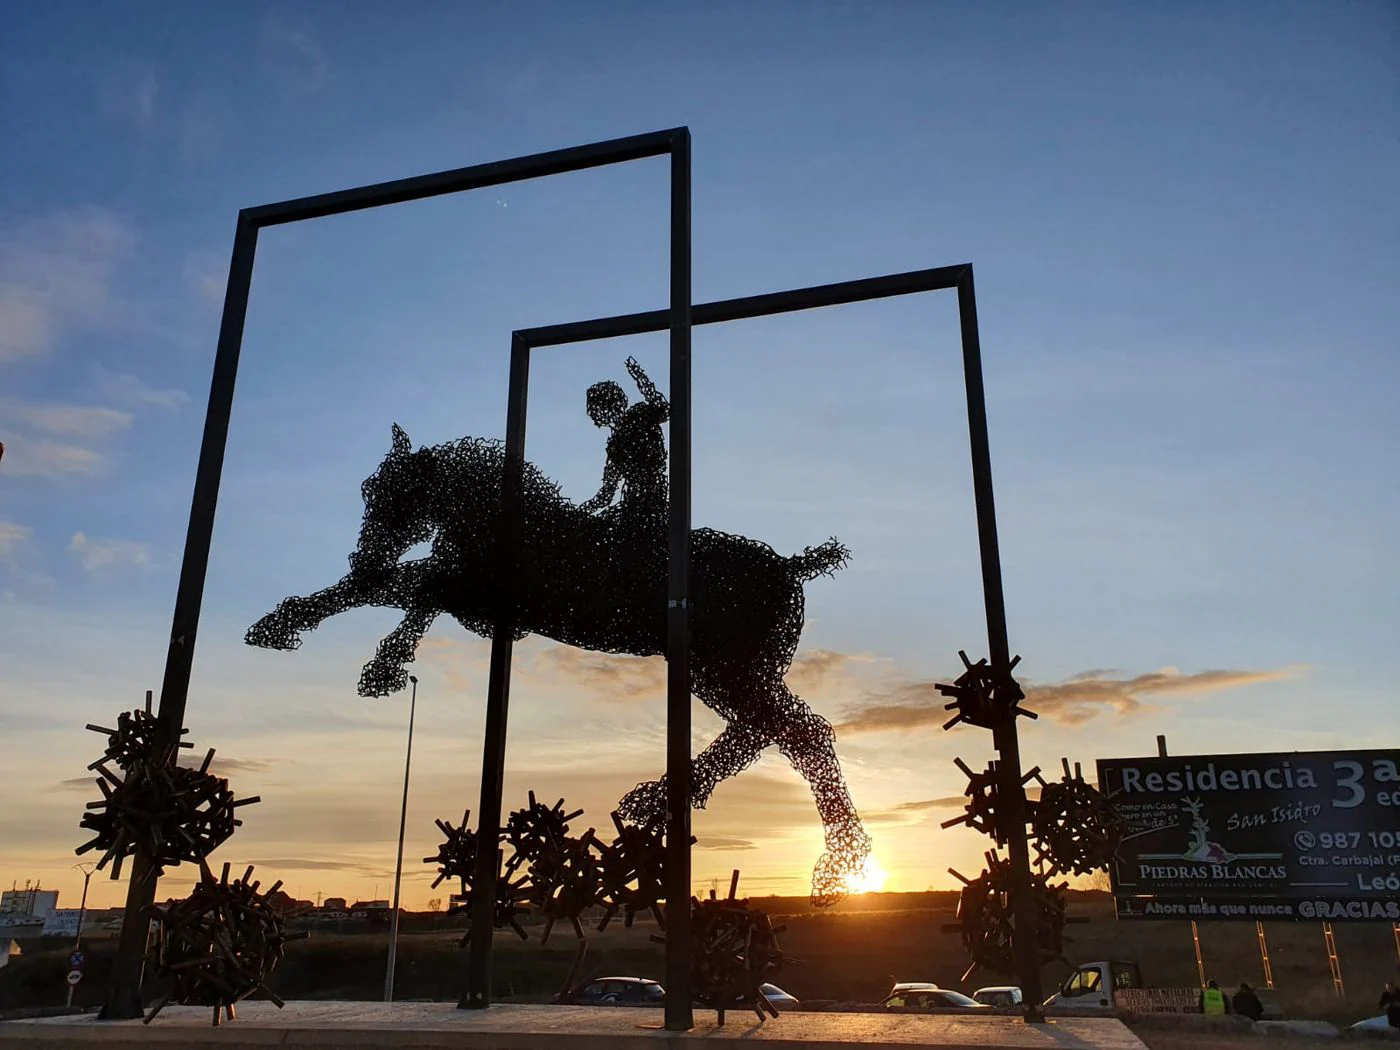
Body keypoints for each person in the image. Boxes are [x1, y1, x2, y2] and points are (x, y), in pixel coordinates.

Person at [579, 356, 669, 526]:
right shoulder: (615, 445)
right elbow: (606, 493)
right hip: (634, 501)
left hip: (651, 500)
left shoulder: (640, 416)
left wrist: (639, 377)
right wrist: (579, 512)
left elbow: (664, 409)